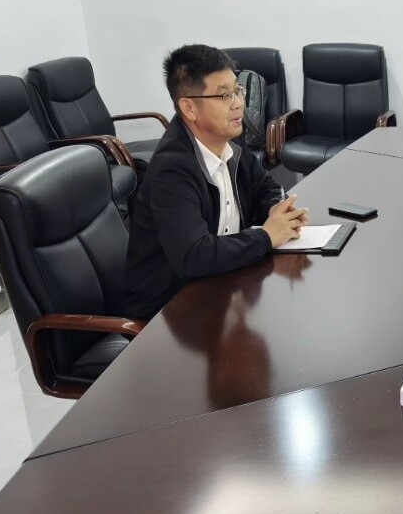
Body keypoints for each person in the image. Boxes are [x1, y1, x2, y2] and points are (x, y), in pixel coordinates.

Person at [124, 44, 308, 321]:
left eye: (238, 90)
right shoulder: (171, 171)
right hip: (170, 313)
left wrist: (275, 211)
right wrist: (266, 236)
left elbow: (264, 187)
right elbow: (194, 256)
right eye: (224, 95)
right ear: (189, 108)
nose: (238, 103)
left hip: (221, 286)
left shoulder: (229, 137)